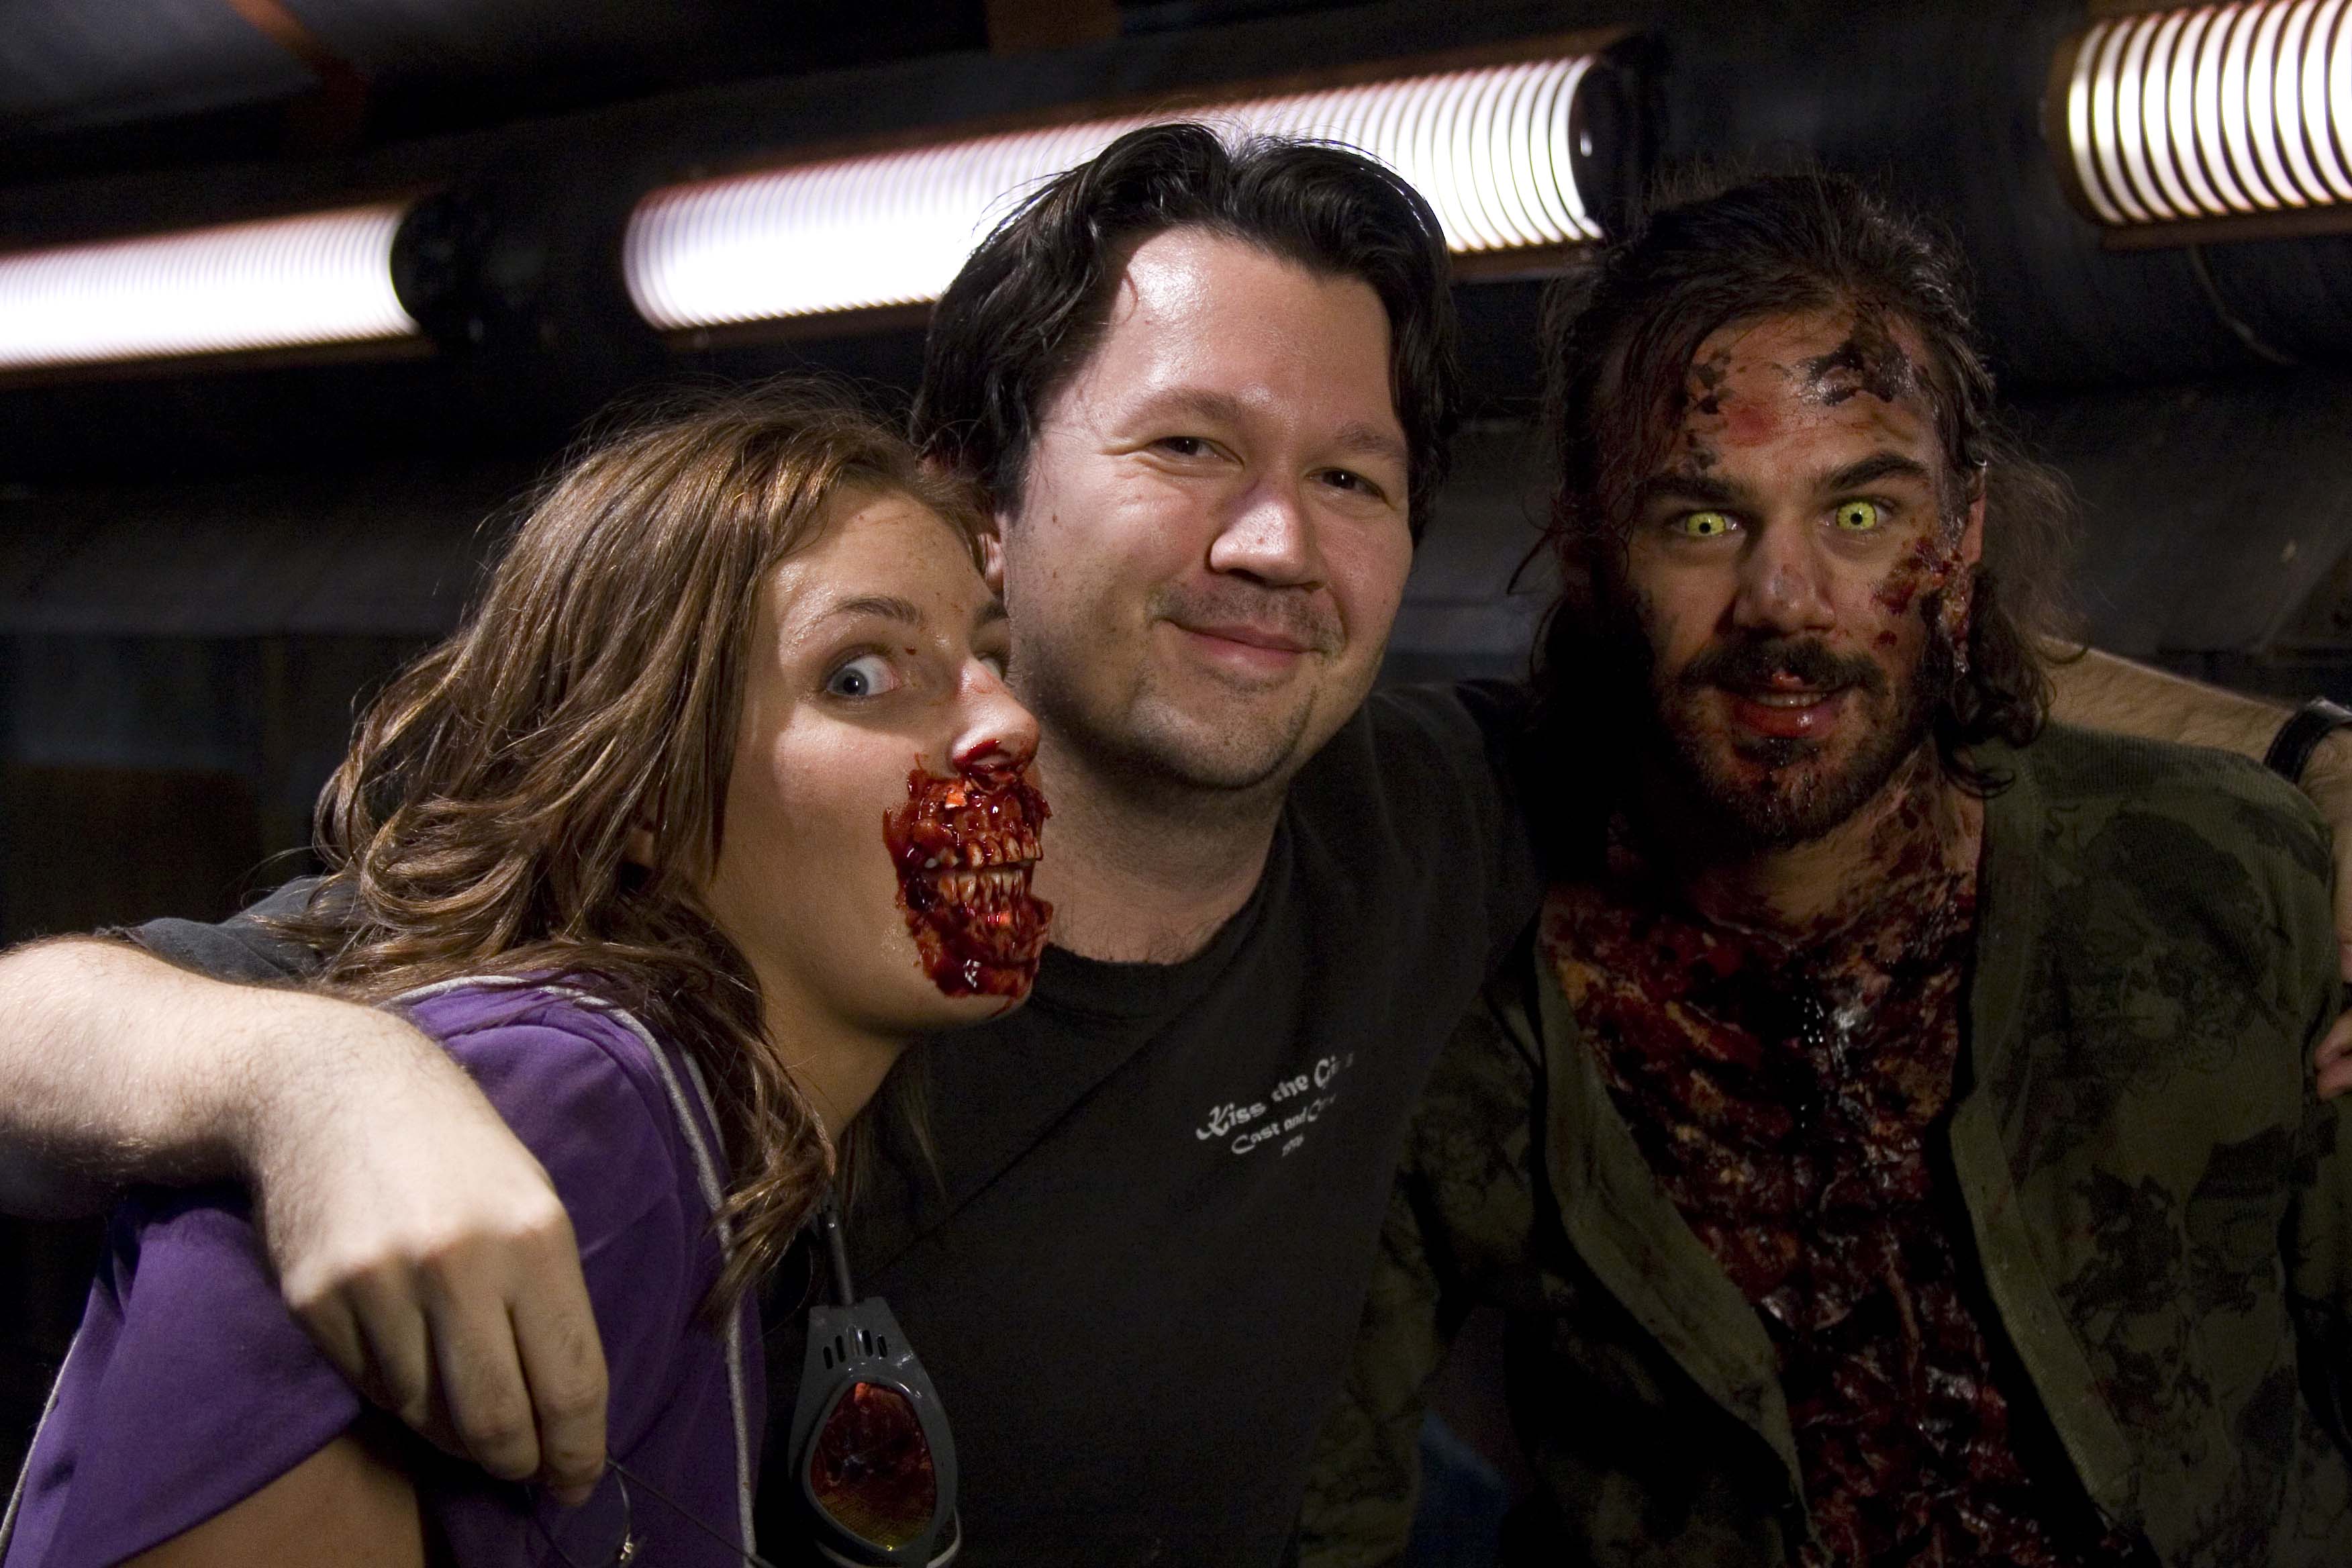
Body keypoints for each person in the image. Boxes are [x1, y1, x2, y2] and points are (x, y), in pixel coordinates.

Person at [3, 129, 2351, 1567]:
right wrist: (306, 1079)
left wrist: (2316, 765)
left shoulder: (1422, 817)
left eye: (1348, 477)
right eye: (1187, 448)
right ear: (975, 503)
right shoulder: (723, 901)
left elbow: (1832, 663)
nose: (1272, 542)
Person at [1297, 175, 2352, 1567]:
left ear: (1961, 542)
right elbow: (1322, 1513)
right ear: (1592, 557)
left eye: (1860, 517)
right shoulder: (1472, 1004)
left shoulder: (2222, 880)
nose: (1784, 604)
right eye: (1701, 520)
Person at [1, 389, 1046, 1566]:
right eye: (857, 676)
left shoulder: (735, 1131)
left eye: (992, 660)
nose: (1008, 723)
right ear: (647, 791)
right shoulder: (560, 1096)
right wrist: (316, 1082)